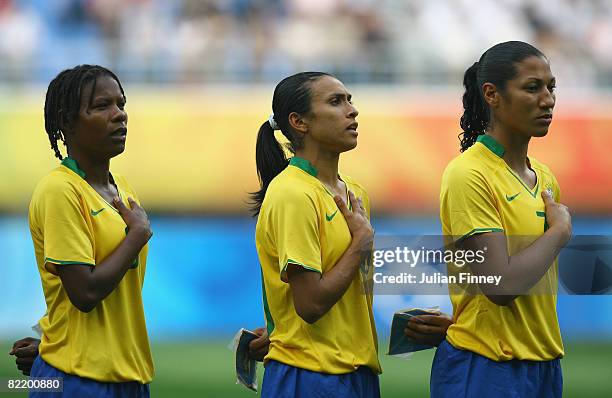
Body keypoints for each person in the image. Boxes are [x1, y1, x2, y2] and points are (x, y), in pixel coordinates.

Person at [433, 41, 572, 397]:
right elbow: (500, 285)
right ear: (492, 95)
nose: (548, 99)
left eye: (551, 87)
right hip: (485, 367)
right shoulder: (469, 174)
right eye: (532, 88)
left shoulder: (544, 177)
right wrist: (558, 232)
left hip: (543, 366)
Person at [26, 64, 154, 397]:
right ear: (66, 121)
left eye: (121, 104)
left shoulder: (121, 187)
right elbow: (83, 293)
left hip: (129, 373)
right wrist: (136, 236)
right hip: (78, 377)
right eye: (102, 106)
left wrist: (46, 334)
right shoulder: (60, 190)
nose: (119, 115)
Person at [252, 71, 381, 397]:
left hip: (358, 373)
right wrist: (360, 245)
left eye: (350, 100)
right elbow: (310, 304)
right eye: (336, 101)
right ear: (299, 122)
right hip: (309, 374)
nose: (352, 110)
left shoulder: (355, 192)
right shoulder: (293, 193)